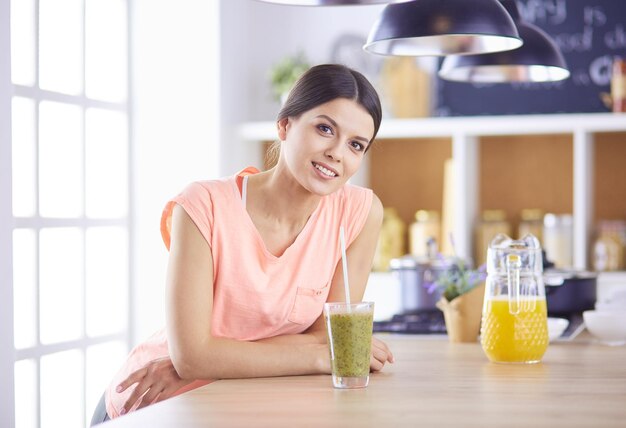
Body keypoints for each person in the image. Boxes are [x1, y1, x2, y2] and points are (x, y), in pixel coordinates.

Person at [91, 63, 394, 425]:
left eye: (356, 145)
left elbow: (325, 336)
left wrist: (215, 358)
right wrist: (319, 356)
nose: (337, 153)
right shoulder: (203, 205)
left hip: (251, 401)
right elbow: (191, 357)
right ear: (284, 125)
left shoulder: (359, 212)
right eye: (325, 129)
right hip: (161, 402)